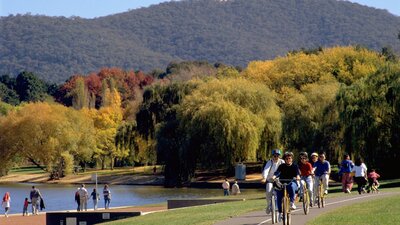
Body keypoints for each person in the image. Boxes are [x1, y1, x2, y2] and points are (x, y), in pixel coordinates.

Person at [272, 152, 300, 220]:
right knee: (279, 196)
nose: (288, 160)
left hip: (292, 182)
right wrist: (274, 176)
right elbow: (277, 172)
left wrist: (297, 177)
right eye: (286, 159)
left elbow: (297, 173)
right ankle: (280, 213)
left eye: (289, 158)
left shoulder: (295, 166)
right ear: (284, 160)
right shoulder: (282, 166)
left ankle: (292, 203)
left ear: (292, 159)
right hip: (282, 182)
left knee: (291, 186)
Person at [261, 149, 284, 214]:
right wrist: (264, 178)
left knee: (282, 191)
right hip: (270, 180)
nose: (276, 157)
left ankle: (283, 203)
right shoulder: (269, 162)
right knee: (268, 191)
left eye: (277, 156)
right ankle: (268, 205)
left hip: (279, 180)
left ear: (279, 156)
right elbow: (266, 170)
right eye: (274, 156)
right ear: (272, 156)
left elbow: (286, 169)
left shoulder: (282, 162)